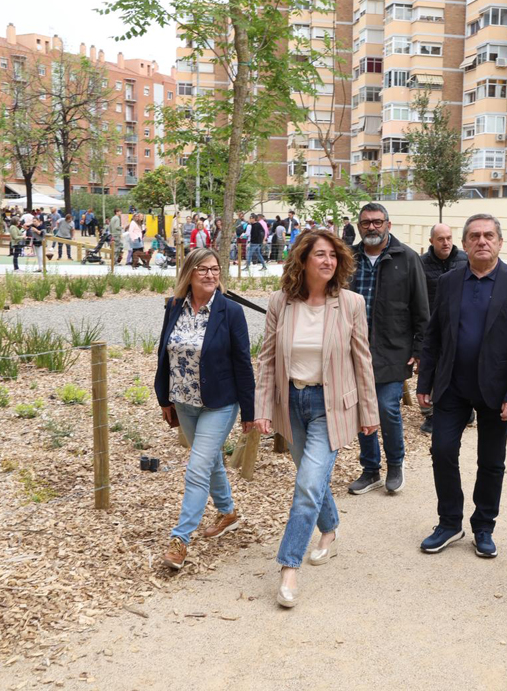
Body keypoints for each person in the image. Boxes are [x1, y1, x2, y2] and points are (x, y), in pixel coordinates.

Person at [253, 229, 379, 608]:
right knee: (312, 478)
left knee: (308, 483)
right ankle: (330, 531)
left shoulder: (351, 303)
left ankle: (289, 567)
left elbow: (362, 360)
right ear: (303, 260)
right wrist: (261, 409)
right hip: (292, 402)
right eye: (320, 255)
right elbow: (267, 358)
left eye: (333, 256)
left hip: (331, 406)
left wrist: (369, 412)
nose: (328, 261)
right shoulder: (281, 302)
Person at [417, 213, 507, 557]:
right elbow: (434, 335)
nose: (482, 241)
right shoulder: (451, 281)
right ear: (465, 243)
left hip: (496, 390)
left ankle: (484, 526)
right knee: (441, 451)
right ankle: (449, 522)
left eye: (489, 235)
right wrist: (425, 379)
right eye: (475, 236)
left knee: (491, 461)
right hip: (452, 385)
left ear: (500, 242)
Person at [155, 248, 256, 570]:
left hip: (220, 404)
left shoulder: (231, 311)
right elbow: (164, 352)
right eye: (203, 269)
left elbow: (243, 362)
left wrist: (250, 413)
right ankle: (228, 513)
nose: (211, 275)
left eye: (215, 269)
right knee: (209, 461)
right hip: (183, 401)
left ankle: (180, 540)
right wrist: (164, 398)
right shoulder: (174, 306)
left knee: (197, 468)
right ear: (189, 273)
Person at [346, 202, 428, 496]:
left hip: (393, 348)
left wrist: (419, 347)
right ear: (359, 226)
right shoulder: (349, 258)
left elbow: (421, 307)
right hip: (352, 350)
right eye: (366, 222)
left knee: (386, 407)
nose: (372, 227)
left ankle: (395, 463)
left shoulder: (406, 258)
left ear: (388, 225)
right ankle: (370, 470)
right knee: (359, 411)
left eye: (377, 222)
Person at [418, 223, 469, 434]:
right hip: (432, 326)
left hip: (460, 325)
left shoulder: (464, 260)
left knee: (461, 367)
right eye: (441, 239)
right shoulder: (421, 264)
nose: (446, 242)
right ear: (431, 241)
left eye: (449, 237)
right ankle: (431, 413)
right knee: (432, 368)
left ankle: (466, 409)